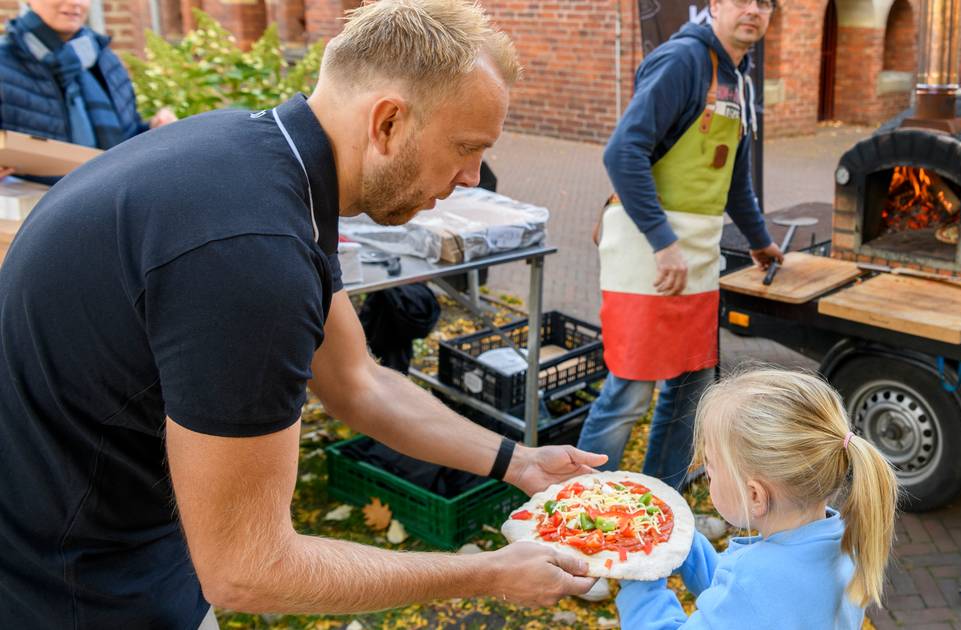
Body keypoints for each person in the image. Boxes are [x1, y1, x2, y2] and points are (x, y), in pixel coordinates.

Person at [0, 1, 605, 627]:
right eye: (466, 147)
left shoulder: (267, 160)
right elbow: (247, 570)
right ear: (388, 122)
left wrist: (518, 461)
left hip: (122, 529)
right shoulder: (252, 255)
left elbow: (357, 381)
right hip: (77, 586)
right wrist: (488, 573)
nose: (473, 177)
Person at [578, 0, 783, 495]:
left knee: (691, 388)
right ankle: (582, 503)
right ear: (715, 6)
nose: (753, 10)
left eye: (765, 3)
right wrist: (663, 242)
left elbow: (734, 181)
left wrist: (760, 242)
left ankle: (662, 500)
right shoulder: (683, 60)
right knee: (629, 393)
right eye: (742, 0)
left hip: (698, 256)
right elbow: (622, 152)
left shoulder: (739, 80)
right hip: (649, 254)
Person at [616, 369, 900, 628]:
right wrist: (681, 540)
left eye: (711, 465)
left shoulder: (758, 581)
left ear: (755, 495)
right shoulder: (842, 544)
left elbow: (746, 594)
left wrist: (640, 580)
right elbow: (742, 601)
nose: (707, 473)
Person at [0, 0, 176, 181]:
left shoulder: (106, 60)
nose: (75, 2)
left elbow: (125, 140)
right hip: (39, 198)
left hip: (109, 192)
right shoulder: (4, 62)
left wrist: (154, 131)